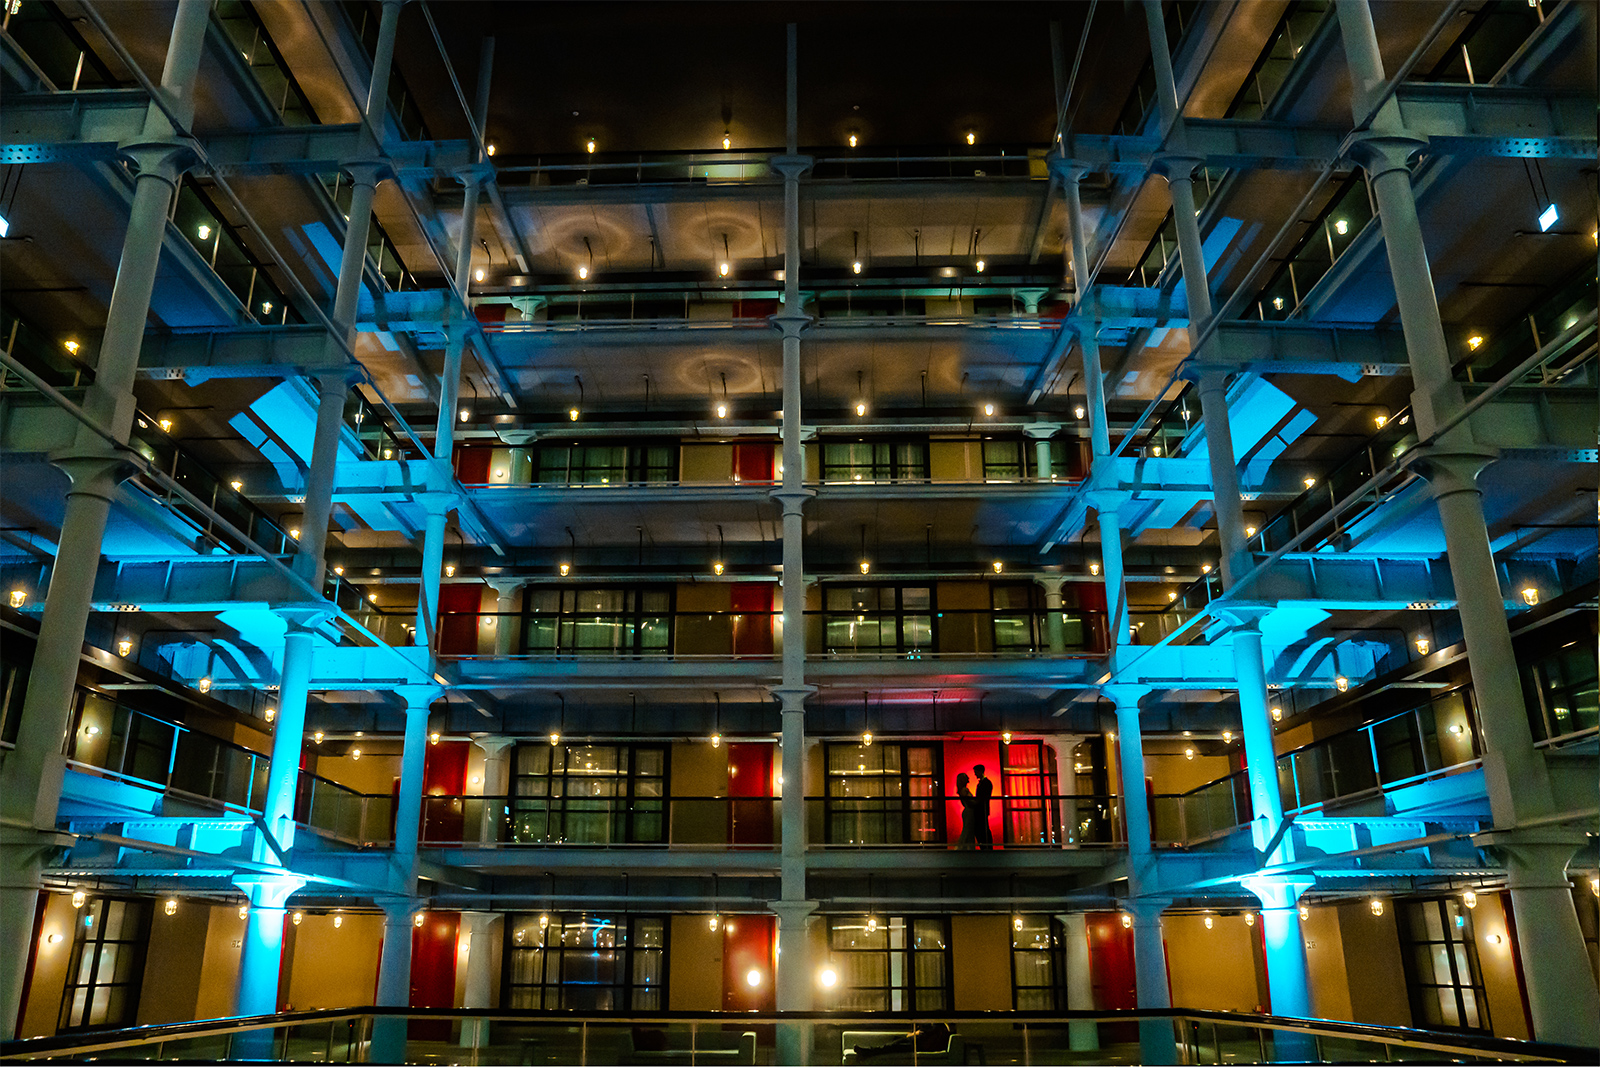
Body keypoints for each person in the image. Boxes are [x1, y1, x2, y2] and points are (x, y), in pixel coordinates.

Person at [972, 764, 994, 850]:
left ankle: (986, 845)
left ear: (980, 771)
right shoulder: (984, 783)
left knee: (983, 828)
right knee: (982, 828)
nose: (975, 774)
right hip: (981, 809)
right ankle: (985, 845)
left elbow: (984, 797)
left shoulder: (986, 783)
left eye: (976, 772)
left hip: (982, 809)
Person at [954, 772, 976, 848]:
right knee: (968, 830)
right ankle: (965, 846)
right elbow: (969, 802)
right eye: (966, 777)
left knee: (968, 830)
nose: (968, 778)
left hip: (968, 811)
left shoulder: (962, 790)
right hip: (969, 811)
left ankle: (965, 846)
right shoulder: (964, 790)